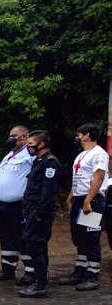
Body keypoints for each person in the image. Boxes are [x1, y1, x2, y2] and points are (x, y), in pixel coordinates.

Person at [59, 123, 108, 291]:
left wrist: (88, 200)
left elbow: (98, 178)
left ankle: (92, 275)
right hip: (79, 199)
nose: (77, 137)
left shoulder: (99, 154)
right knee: (78, 237)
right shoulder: (81, 155)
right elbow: (78, 177)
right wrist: (71, 196)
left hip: (92, 201)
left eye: (78, 134)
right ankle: (79, 272)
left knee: (91, 238)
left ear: (87, 135)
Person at [19, 130, 62, 298]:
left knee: (35, 246)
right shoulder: (38, 161)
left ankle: (40, 285)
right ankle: (40, 280)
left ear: (41, 144)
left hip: (39, 212)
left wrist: (38, 213)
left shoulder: (50, 163)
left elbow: (48, 192)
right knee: (37, 246)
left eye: (30, 144)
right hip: (31, 210)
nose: (28, 147)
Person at [0, 126, 36, 284]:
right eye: (10, 135)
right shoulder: (9, 155)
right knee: (6, 238)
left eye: (14, 136)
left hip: (20, 205)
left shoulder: (30, 154)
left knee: (23, 238)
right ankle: (8, 269)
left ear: (24, 137)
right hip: (4, 205)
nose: (10, 138)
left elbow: (35, 175)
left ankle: (31, 271)